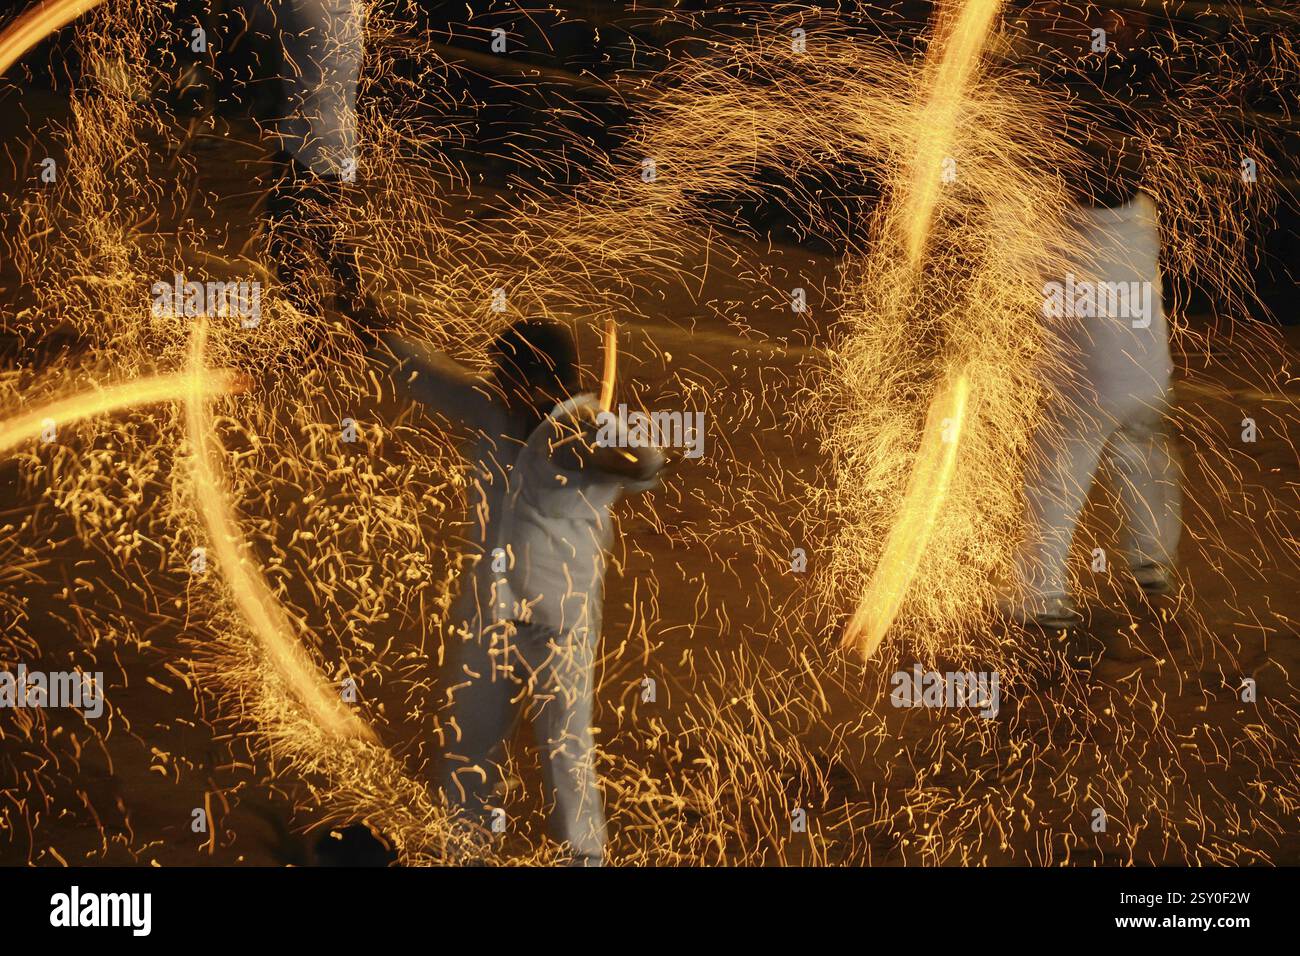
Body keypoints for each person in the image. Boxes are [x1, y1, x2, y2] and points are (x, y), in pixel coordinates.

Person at [374, 319, 667, 865]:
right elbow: (423, 374)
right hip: (491, 616)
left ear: (540, 379)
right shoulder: (491, 409)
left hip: (560, 627)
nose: (500, 386)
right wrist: (369, 326)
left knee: (565, 751)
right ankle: (464, 856)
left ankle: (584, 861)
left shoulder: (582, 425)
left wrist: (618, 457)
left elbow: (645, 459)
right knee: (469, 745)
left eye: (510, 375)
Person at [1008, 2, 1181, 627]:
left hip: (1097, 386)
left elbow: (1048, 309)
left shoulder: (1069, 231)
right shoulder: (1140, 216)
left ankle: (1039, 595)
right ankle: (1151, 562)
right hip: (1146, 379)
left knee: (1059, 459)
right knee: (1139, 444)